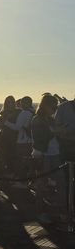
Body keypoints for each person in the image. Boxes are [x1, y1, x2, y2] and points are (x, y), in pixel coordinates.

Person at [31, 94, 60, 224]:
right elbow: (40, 139)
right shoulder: (37, 120)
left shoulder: (49, 119)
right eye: (53, 105)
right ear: (46, 105)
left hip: (54, 154)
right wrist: (54, 133)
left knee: (52, 184)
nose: (55, 108)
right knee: (42, 185)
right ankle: (40, 212)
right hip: (43, 154)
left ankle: (51, 211)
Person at [54, 95, 75, 228]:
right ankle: (68, 212)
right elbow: (56, 127)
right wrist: (65, 134)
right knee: (67, 181)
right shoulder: (63, 108)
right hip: (67, 147)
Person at [5, 96, 35, 187]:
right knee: (30, 162)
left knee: (20, 162)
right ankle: (32, 181)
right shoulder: (33, 112)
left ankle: (22, 182)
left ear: (25, 103)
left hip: (22, 141)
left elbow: (17, 127)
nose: (19, 104)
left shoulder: (24, 113)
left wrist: (6, 122)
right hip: (30, 140)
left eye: (21, 103)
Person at [0, 96, 19, 174]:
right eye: (8, 102)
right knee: (5, 156)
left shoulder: (18, 112)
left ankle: (13, 174)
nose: (10, 104)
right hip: (5, 137)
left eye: (11, 102)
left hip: (15, 137)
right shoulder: (3, 113)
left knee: (14, 156)